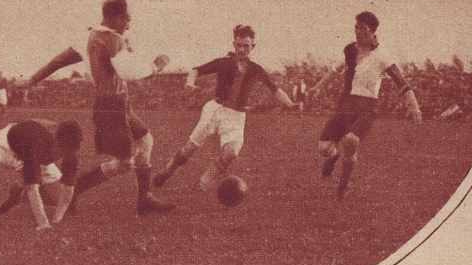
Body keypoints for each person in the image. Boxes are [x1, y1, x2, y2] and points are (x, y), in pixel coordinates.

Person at [22, 0, 174, 216]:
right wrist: (156, 66)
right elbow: (128, 72)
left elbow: (59, 60)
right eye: (126, 19)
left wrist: (34, 79)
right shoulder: (112, 40)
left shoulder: (90, 36)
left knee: (146, 142)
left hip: (116, 105)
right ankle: (72, 194)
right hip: (113, 108)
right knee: (124, 163)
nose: (129, 24)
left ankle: (145, 198)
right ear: (115, 19)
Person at [152, 25, 295, 190]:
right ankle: (168, 171)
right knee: (189, 149)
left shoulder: (256, 70)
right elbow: (196, 70)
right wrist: (190, 82)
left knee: (231, 153)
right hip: (215, 110)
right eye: (239, 45)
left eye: (246, 45)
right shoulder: (224, 62)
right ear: (234, 44)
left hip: (237, 116)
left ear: (252, 46)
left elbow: (275, 90)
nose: (242, 49)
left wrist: (291, 104)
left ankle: (203, 183)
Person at [307, 11, 423, 201]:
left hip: (366, 108)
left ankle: (342, 190)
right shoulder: (350, 51)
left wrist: (415, 108)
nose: (358, 32)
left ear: (373, 32)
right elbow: (335, 71)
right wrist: (318, 87)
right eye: (356, 28)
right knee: (323, 149)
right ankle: (334, 154)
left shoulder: (382, 56)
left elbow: (402, 83)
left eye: (362, 29)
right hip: (345, 104)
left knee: (351, 142)